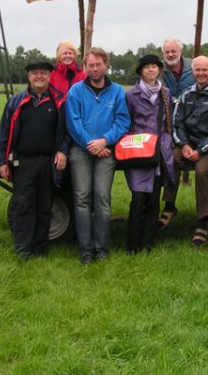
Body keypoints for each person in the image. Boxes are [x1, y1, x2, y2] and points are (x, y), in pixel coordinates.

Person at [65, 47, 130, 264]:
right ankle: (85, 250)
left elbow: (122, 121)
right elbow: (72, 122)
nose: (94, 68)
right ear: (84, 67)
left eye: (98, 64)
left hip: (106, 150)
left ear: (106, 65)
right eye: (90, 65)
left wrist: (104, 141)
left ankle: (101, 249)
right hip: (80, 151)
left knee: (102, 197)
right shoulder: (75, 91)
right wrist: (90, 144)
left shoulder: (117, 91)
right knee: (82, 197)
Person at [0, 61, 68, 259]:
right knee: (23, 205)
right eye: (35, 73)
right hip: (24, 162)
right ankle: (22, 248)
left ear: (49, 76)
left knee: (45, 206)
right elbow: (4, 132)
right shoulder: (17, 101)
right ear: (29, 77)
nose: (39, 77)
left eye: (43, 73)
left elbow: (66, 131)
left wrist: (62, 151)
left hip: (48, 162)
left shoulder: (59, 101)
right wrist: (2, 160)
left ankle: (40, 247)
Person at [172, 55, 208, 247]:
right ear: (193, 71)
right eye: (197, 70)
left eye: (205, 70)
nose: (201, 73)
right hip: (188, 144)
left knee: (201, 171)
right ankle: (169, 206)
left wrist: (201, 150)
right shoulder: (186, 94)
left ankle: (203, 220)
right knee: (170, 160)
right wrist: (185, 145)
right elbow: (176, 123)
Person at [123, 54, 175, 254]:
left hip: (159, 151)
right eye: (147, 67)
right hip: (138, 150)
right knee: (138, 198)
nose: (151, 70)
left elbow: (168, 121)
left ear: (159, 70)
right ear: (141, 72)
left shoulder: (166, 93)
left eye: (154, 67)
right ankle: (132, 244)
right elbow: (127, 122)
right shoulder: (131, 95)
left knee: (153, 200)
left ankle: (147, 243)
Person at [158, 38, 195, 228]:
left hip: (194, 124)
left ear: (181, 50)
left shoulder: (194, 67)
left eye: (173, 51)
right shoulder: (160, 70)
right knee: (170, 160)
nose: (170, 55)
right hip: (169, 125)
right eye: (167, 52)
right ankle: (169, 205)